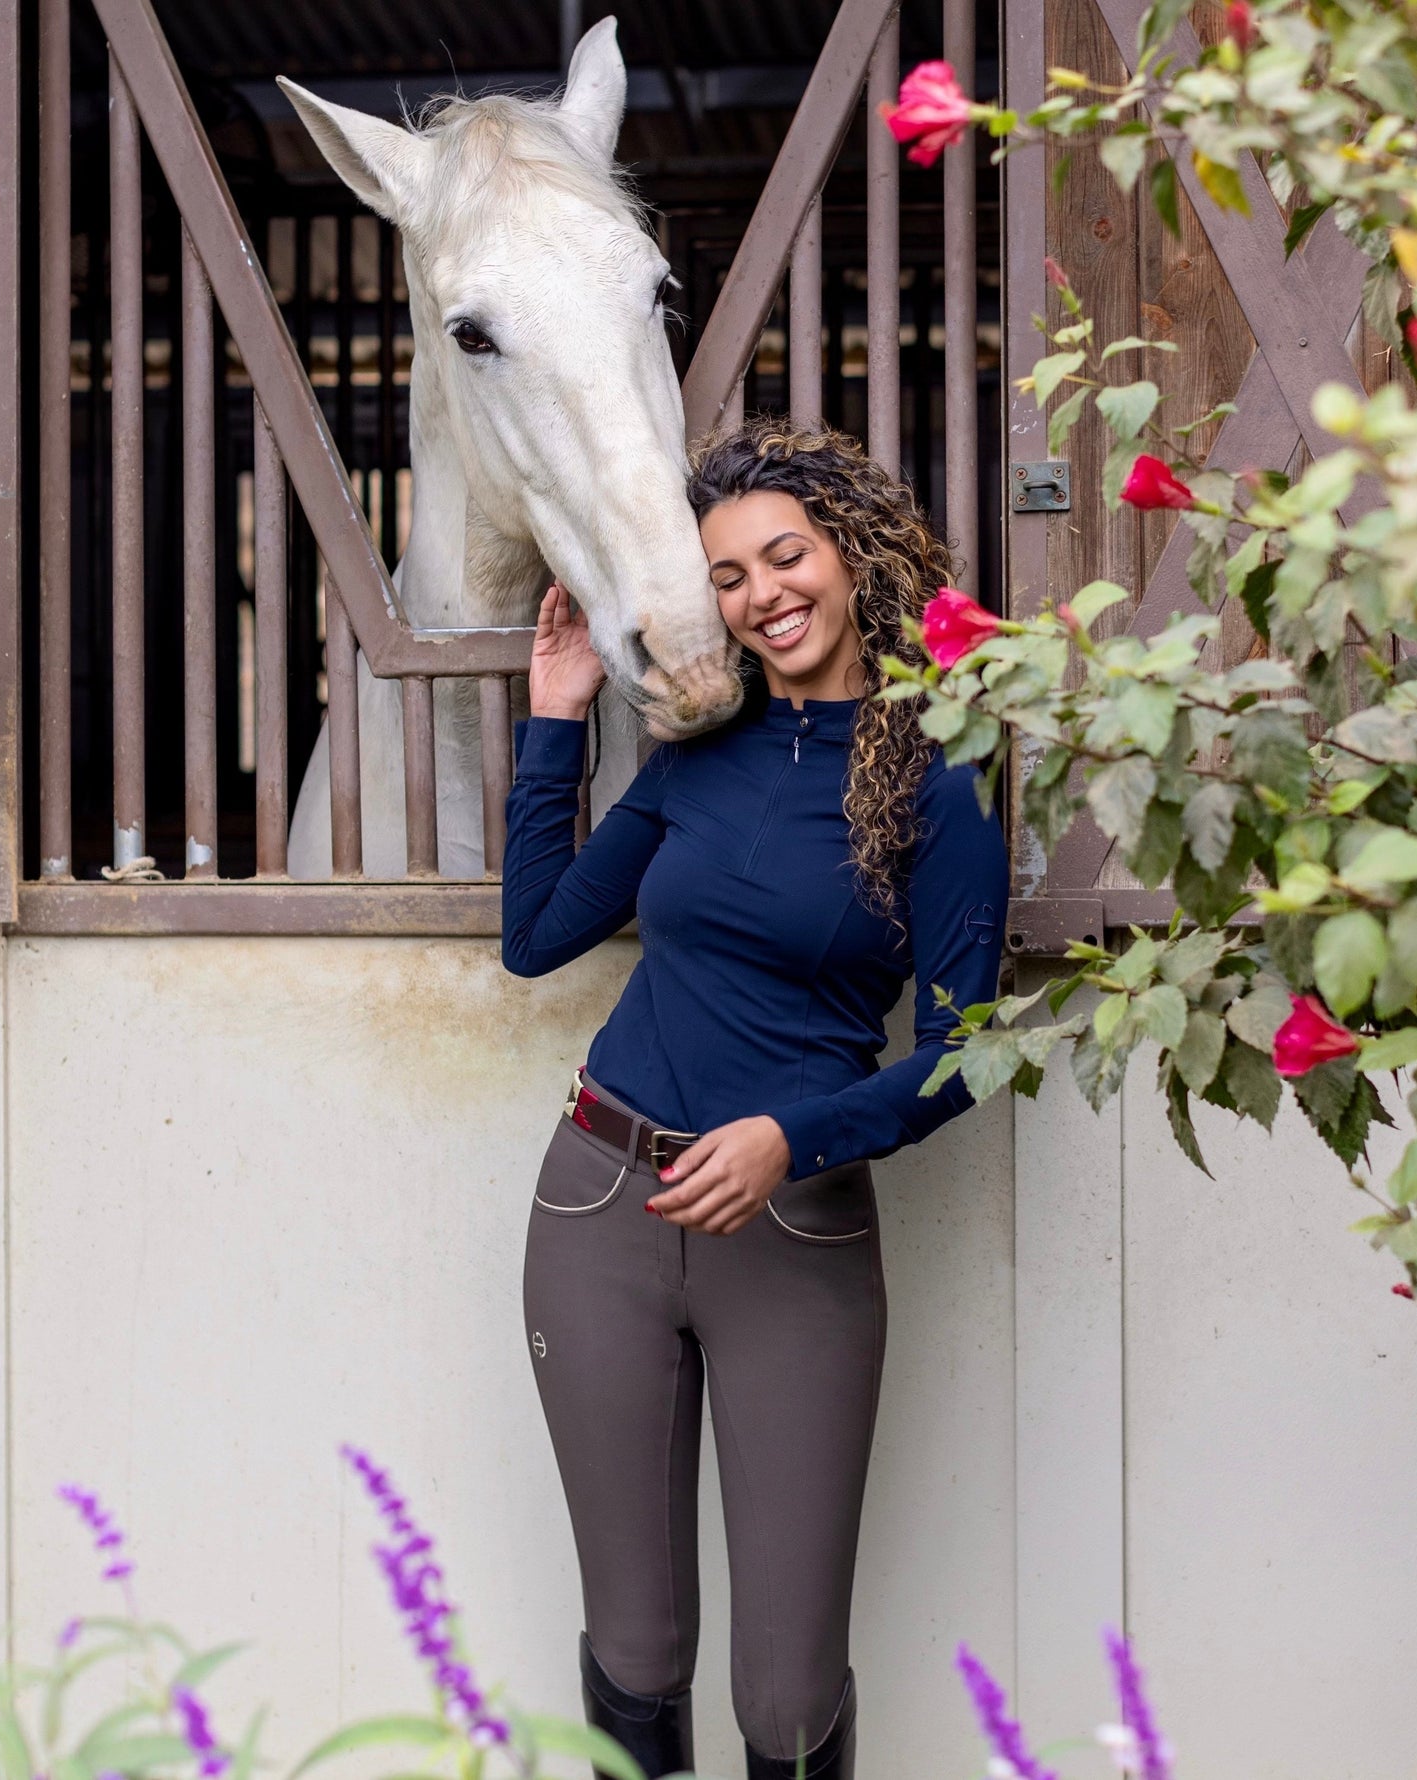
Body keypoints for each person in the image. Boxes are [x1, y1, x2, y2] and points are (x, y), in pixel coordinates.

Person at [501, 422, 1008, 1780]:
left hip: (795, 1235)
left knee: (784, 1693)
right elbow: (539, 933)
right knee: (635, 1648)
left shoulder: (939, 785)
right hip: (598, 1206)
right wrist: (555, 721)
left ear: (851, 559)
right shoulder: (696, 758)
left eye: (785, 555)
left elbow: (967, 1054)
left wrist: (797, 1135)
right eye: (727, 575)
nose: (761, 593)